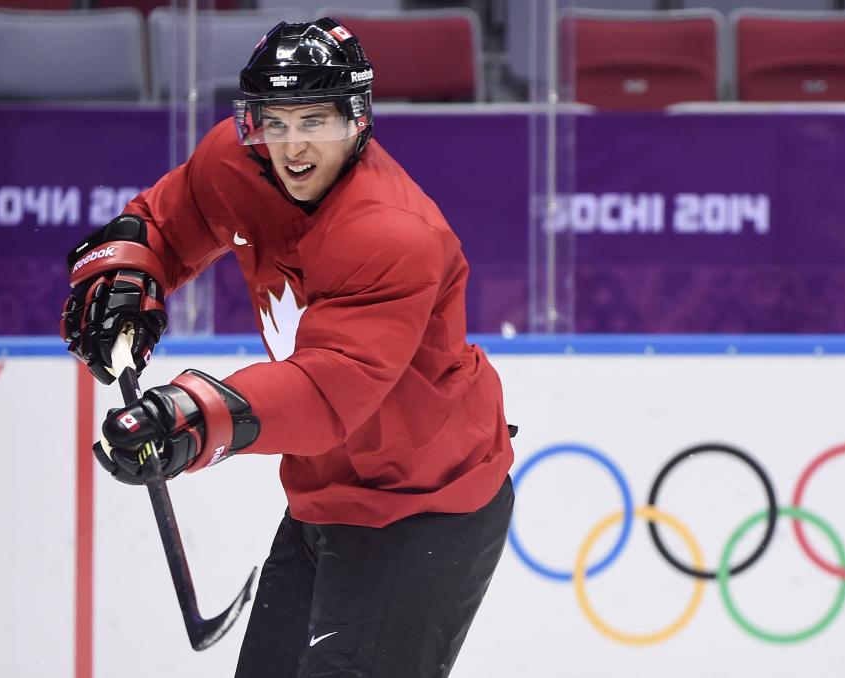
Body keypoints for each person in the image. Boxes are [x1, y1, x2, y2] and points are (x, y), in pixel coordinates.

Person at [60, 17, 515, 678]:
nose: (293, 145)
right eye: (274, 122)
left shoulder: (392, 232)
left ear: (357, 121)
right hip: (324, 492)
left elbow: (330, 387)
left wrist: (191, 416)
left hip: (424, 506)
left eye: (314, 121)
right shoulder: (236, 164)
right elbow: (168, 217)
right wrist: (127, 272)